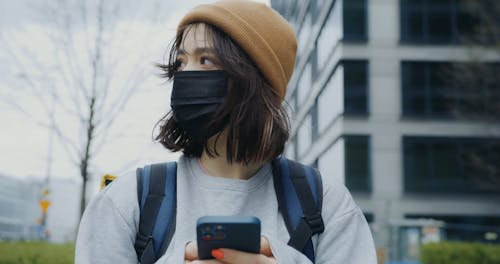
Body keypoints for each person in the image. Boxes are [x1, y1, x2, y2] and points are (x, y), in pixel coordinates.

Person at [75, 0, 377, 263]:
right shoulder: (127, 202)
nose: (185, 75)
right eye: (181, 62)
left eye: (205, 60)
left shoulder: (327, 205)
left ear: (258, 81)